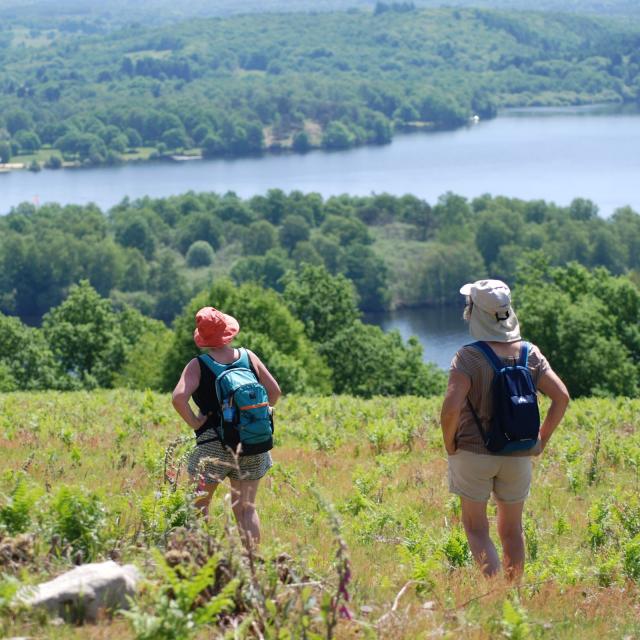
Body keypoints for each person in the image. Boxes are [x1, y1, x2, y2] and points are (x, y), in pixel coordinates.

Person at [440, 279, 569, 579]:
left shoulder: (467, 357)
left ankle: (496, 593)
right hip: (519, 453)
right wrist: (541, 441)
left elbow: (450, 409)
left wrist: (450, 444)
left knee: (476, 528)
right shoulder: (530, 353)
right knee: (512, 530)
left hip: (473, 453)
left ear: (476, 313)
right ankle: (514, 594)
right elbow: (561, 397)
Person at [172, 306, 281, 548]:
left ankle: (204, 562)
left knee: (198, 505)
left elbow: (178, 398)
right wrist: (255, 414)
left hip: (213, 445)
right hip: (252, 443)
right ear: (228, 332)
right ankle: (253, 564)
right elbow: (275, 392)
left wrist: (195, 421)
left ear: (203, 338)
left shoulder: (198, 365)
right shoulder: (248, 357)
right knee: (245, 509)